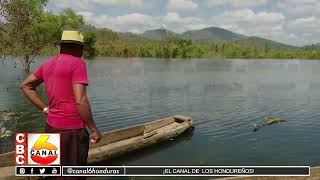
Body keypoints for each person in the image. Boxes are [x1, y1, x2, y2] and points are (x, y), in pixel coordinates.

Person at [19, 30, 102, 169]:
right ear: (78, 48)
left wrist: (45, 109)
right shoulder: (77, 63)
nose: (82, 52)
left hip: (50, 126)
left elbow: (25, 86)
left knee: (51, 171)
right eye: (82, 48)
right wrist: (93, 129)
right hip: (71, 131)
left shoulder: (48, 64)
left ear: (62, 46)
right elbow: (80, 100)